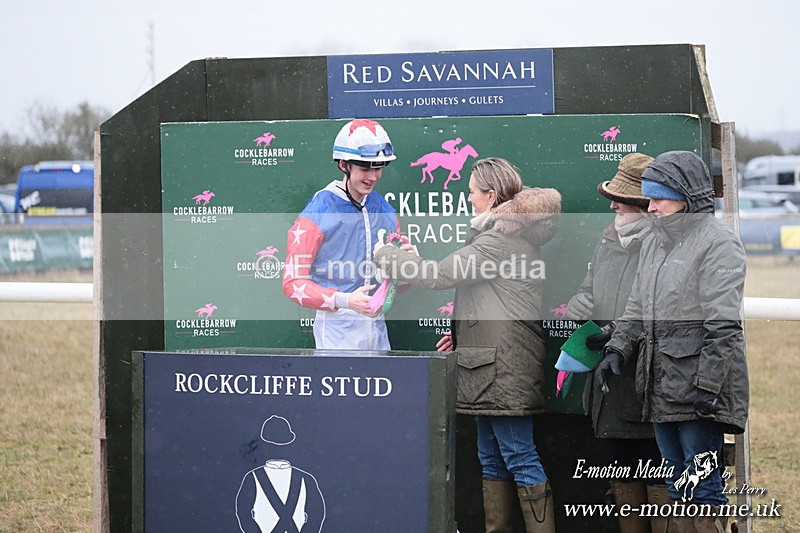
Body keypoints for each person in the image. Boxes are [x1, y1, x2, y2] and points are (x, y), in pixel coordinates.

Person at [374, 157, 561, 532]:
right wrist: (462, 335)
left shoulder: (499, 239)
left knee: (518, 457)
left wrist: (385, 255)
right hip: (489, 363)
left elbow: (439, 274)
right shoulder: (505, 236)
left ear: (491, 196)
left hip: (500, 367)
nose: (469, 197)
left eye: (473, 192)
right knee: (492, 458)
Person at [595, 151, 748, 533]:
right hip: (661, 386)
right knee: (679, 488)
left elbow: (724, 326)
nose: (651, 206)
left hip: (698, 390)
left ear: (686, 195)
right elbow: (637, 306)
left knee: (704, 490)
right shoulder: (654, 241)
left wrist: (708, 388)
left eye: (659, 197)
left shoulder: (719, 244)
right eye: (648, 198)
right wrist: (617, 347)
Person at [565, 152, 669, 533]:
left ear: (644, 204)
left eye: (621, 198)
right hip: (610, 388)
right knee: (622, 473)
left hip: (648, 386)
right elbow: (588, 293)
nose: (612, 204)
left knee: (659, 476)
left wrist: (616, 333)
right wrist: (575, 311)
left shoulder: (664, 246)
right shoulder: (609, 240)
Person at [282, 118, 411, 350]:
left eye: (378, 168)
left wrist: (407, 268)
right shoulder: (320, 209)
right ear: (344, 165)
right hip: (335, 329)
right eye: (364, 168)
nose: (372, 177)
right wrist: (346, 300)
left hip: (378, 330)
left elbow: (397, 287)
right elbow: (293, 283)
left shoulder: (385, 210)